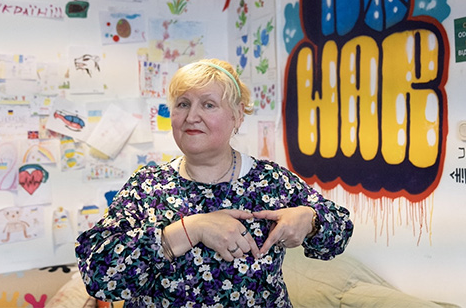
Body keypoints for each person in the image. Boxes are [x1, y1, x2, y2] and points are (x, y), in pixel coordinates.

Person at [75, 58, 354, 307]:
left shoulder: (271, 181)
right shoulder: (147, 186)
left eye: (208, 104)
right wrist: (189, 230)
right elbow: (98, 274)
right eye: (183, 104)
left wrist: (310, 219)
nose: (191, 116)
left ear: (237, 116)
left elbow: (338, 235)